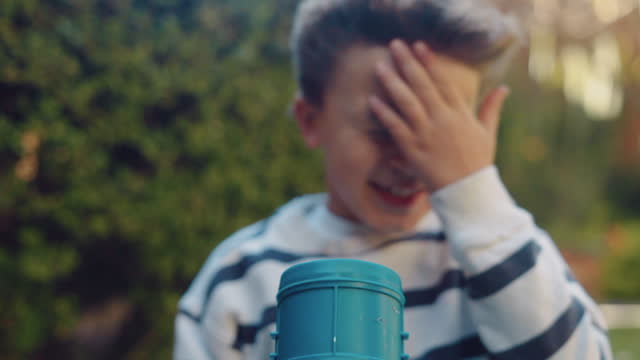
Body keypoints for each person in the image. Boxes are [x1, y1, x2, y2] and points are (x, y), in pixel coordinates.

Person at [173, 0, 613, 358]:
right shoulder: (238, 280)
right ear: (311, 120)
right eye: (384, 127)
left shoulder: (504, 253)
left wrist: (475, 191)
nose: (412, 159)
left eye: (441, 131)